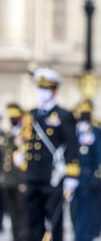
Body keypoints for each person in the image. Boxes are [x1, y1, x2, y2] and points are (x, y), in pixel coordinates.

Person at [21, 67, 80, 241]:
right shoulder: (31, 114)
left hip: (52, 177)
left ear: (54, 90)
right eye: (40, 88)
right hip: (33, 176)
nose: (42, 92)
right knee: (33, 220)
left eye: (46, 88)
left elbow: (71, 146)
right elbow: (27, 141)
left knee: (54, 222)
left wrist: (71, 175)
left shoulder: (64, 115)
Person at [70, 99, 101, 241]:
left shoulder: (96, 132)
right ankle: (78, 234)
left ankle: (85, 237)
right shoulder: (74, 130)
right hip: (74, 175)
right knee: (75, 209)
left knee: (87, 209)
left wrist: (98, 175)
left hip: (88, 174)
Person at [0, 103, 29, 241]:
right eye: (11, 117)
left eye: (15, 117)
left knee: (22, 212)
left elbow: (26, 161)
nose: (13, 119)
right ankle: (16, 237)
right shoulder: (7, 135)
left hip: (20, 181)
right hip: (8, 181)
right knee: (12, 214)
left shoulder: (24, 135)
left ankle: (23, 238)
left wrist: (24, 179)